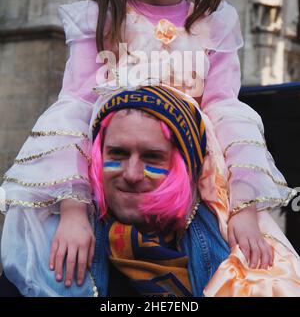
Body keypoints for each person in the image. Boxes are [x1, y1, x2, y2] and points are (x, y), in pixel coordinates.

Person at [0, 0, 297, 290]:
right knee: (70, 272)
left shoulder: (215, 25)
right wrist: (73, 211)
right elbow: (75, 108)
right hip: (108, 187)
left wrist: (245, 208)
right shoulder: (98, 22)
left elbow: (225, 110)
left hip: (194, 193)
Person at [1, 87, 300, 297]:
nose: (131, 174)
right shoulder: (48, 256)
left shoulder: (241, 262)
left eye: (153, 157)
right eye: (116, 154)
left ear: (190, 167)